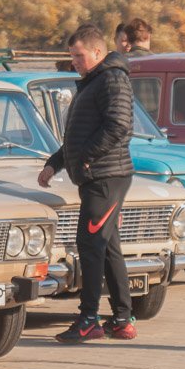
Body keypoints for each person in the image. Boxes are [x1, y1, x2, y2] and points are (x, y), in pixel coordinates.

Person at [38, 24, 136, 342]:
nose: (74, 62)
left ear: (97, 51)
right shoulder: (94, 81)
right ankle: (122, 319)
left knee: (90, 244)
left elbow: (120, 125)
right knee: (107, 247)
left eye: (79, 56)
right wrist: (54, 164)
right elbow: (78, 137)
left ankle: (89, 319)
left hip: (106, 177)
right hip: (98, 174)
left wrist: (87, 158)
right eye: (71, 56)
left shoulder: (112, 78)